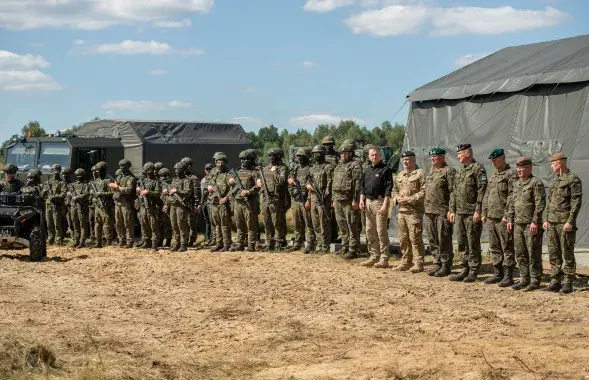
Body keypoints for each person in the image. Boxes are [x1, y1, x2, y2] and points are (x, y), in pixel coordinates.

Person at [542, 152, 582, 294]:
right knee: (554, 253)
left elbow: (576, 202)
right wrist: (546, 219)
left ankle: (568, 282)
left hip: (564, 223)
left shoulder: (572, 179)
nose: (551, 166)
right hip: (552, 223)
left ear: (560, 163)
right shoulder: (554, 181)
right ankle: (555, 281)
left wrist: (570, 221)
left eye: (553, 163)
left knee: (567, 253)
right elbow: (550, 202)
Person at [448, 144, 487, 283]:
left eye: (460, 153)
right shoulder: (460, 171)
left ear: (468, 153)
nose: (458, 156)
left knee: (473, 242)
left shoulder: (477, 169)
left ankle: (473, 270)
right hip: (459, 213)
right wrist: (452, 210)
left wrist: (478, 210)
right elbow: (453, 192)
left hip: (471, 213)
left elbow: (482, 191)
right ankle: (464, 269)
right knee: (462, 242)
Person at [506, 157, 546, 291]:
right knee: (520, 253)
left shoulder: (536, 183)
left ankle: (535, 280)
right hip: (518, 224)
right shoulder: (517, 184)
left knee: (533, 253)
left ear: (529, 168)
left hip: (530, 224)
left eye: (522, 168)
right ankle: (524, 279)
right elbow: (512, 203)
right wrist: (510, 219)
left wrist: (535, 221)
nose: (519, 171)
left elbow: (540, 203)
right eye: (517, 168)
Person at [481, 148, 517, 286]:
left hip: (502, 217)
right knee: (494, 246)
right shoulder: (493, 176)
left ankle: (508, 276)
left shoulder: (511, 174)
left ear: (503, 158)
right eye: (492, 161)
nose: (493, 163)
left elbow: (512, 196)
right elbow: (487, 195)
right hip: (491, 217)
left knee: (507, 246)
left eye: (495, 160)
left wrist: (507, 215)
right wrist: (484, 212)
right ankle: (498, 273)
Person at [391, 151, 426, 272]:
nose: (405, 162)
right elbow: (394, 190)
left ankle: (419, 263)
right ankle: (406, 262)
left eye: (408, 160)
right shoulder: (399, 175)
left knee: (415, 238)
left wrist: (409, 199)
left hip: (414, 212)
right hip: (402, 212)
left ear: (413, 160)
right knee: (403, 238)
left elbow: (424, 191)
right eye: (404, 160)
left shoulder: (420, 174)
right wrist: (396, 198)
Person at [424, 147, 455, 277]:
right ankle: (437, 263)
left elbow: (453, 191)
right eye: (431, 157)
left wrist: (451, 209)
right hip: (429, 211)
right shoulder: (431, 171)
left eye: (435, 156)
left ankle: (446, 265)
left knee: (444, 239)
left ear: (442, 157)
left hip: (442, 211)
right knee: (433, 239)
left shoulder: (448, 171)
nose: (432, 158)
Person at [360, 147, 392, 268]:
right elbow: (362, 186)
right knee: (369, 230)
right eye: (372, 155)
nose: (374, 157)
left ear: (380, 156)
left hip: (379, 202)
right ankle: (374, 256)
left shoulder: (385, 170)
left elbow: (389, 189)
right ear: (369, 156)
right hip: (368, 202)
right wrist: (361, 200)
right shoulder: (367, 170)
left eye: (376, 155)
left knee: (381, 231)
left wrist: (385, 205)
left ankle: (384, 258)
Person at [332, 139, 363, 259]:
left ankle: (353, 248)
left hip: (349, 200)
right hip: (338, 199)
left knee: (352, 224)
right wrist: (334, 199)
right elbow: (334, 183)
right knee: (342, 224)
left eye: (345, 153)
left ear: (350, 153)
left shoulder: (355, 165)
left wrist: (355, 200)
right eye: (341, 153)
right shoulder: (339, 165)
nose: (342, 155)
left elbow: (357, 185)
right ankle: (345, 246)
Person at [258, 148, 289, 251]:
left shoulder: (282, 168)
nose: (271, 158)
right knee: (267, 221)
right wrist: (259, 183)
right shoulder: (265, 168)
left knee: (277, 221)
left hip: (276, 198)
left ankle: (278, 242)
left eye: (274, 155)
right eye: (270, 156)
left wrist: (275, 172)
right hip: (265, 198)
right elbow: (262, 182)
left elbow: (282, 182)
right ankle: (269, 242)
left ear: (279, 157)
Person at [229, 149, 260, 252]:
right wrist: (230, 182)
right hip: (238, 202)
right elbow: (231, 186)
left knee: (250, 224)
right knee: (239, 224)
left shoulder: (254, 172)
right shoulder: (237, 172)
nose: (243, 161)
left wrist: (248, 191)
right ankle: (240, 244)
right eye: (241, 159)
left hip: (249, 202)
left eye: (245, 159)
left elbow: (259, 186)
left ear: (251, 160)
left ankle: (251, 245)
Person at [305, 145, 333, 253]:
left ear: (322, 154)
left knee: (324, 223)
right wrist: (308, 189)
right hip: (312, 197)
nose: (315, 156)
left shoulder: (327, 167)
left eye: (317, 154)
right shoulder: (312, 169)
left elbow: (330, 182)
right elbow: (308, 182)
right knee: (315, 223)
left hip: (323, 199)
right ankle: (319, 244)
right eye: (314, 154)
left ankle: (325, 246)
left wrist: (326, 196)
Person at [288, 147, 315, 252]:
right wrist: (293, 191)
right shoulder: (295, 169)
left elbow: (312, 186)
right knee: (297, 223)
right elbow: (290, 183)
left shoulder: (310, 169)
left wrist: (308, 199)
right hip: (296, 199)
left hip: (306, 199)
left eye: (302, 156)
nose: (299, 158)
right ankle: (298, 242)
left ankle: (310, 243)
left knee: (309, 223)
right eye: (298, 156)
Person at [109, 159, 137, 248]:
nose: (121, 168)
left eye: (123, 166)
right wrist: (113, 187)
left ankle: (129, 241)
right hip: (118, 202)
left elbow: (128, 190)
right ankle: (121, 240)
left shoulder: (131, 178)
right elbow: (114, 188)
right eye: (120, 166)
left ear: (128, 167)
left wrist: (117, 187)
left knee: (128, 223)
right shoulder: (119, 177)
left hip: (126, 203)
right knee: (118, 223)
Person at [208, 153, 232, 252]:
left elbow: (233, 189)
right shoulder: (213, 171)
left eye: (222, 162)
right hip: (214, 202)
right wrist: (209, 186)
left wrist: (226, 198)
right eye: (218, 162)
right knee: (217, 224)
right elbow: (210, 182)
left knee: (224, 224)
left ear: (225, 163)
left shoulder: (229, 173)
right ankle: (219, 243)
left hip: (224, 203)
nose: (220, 164)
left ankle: (226, 244)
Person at [136, 162, 161, 252]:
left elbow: (158, 193)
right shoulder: (143, 181)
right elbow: (138, 190)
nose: (147, 172)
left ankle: (154, 243)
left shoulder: (156, 181)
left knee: (153, 225)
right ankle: (146, 242)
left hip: (151, 206)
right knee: (144, 224)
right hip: (143, 206)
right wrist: (138, 190)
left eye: (148, 171)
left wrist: (148, 192)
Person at [90, 161, 114, 247]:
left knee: (107, 224)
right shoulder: (96, 181)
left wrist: (101, 194)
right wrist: (92, 193)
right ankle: (98, 241)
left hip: (106, 205)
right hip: (97, 206)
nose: (96, 172)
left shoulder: (109, 180)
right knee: (97, 224)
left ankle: (108, 241)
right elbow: (93, 192)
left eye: (98, 170)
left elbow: (112, 193)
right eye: (96, 170)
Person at [41, 164, 66, 246]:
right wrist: (44, 192)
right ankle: (50, 240)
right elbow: (42, 195)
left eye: (57, 171)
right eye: (54, 171)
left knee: (57, 224)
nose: (55, 173)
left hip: (57, 205)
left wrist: (54, 197)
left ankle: (58, 241)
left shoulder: (62, 183)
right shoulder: (47, 183)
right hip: (48, 205)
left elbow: (63, 194)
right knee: (49, 224)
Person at [181, 157, 201, 247]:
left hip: (191, 203)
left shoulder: (193, 178)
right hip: (182, 202)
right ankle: (184, 240)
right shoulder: (181, 177)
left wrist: (197, 203)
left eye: (185, 166)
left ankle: (192, 240)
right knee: (183, 222)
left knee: (191, 222)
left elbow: (196, 191)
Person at [68, 168, 90, 248]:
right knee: (75, 223)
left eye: (80, 176)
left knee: (82, 225)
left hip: (82, 207)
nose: (79, 177)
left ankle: (82, 241)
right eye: (77, 176)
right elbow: (69, 194)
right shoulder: (72, 185)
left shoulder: (86, 185)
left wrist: (77, 197)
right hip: (74, 207)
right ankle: (76, 240)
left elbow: (86, 194)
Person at [198, 163, 214, 246]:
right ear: (205, 170)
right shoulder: (203, 180)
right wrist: (200, 203)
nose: (208, 170)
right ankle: (207, 237)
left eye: (210, 169)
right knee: (207, 221)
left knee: (212, 221)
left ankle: (213, 238)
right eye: (207, 169)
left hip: (212, 202)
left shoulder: (214, 178)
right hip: (204, 202)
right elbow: (202, 193)